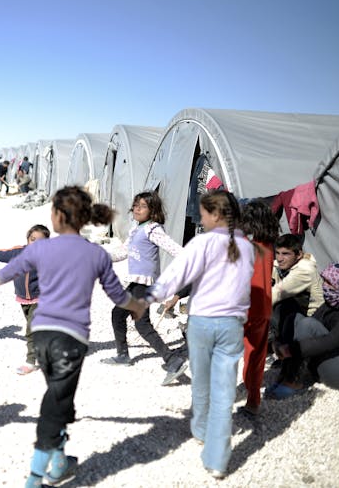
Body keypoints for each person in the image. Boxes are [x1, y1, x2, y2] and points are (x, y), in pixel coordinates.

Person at [0, 186, 149, 488]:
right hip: (70, 341)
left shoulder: (38, 249)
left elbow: (4, 274)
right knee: (55, 406)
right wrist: (137, 306)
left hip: (42, 337)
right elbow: (117, 295)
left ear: (59, 217)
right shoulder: (96, 253)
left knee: (58, 399)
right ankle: (36, 479)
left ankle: (60, 461)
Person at [146, 190, 254, 479]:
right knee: (224, 389)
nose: (201, 217)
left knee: (202, 380)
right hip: (232, 324)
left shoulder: (202, 244)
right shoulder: (246, 246)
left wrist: (148, 297)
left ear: (216, 215)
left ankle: (201, 428)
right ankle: (218, 459)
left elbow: (175, 277)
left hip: (203, 322)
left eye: (205, 213)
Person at [101, 191, 187, 386]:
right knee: (118, 314)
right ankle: (122, 355)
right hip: (135, 283)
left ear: (153, 211)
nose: (137, 208)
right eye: (136, 205)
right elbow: (123, 252)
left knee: (142, 324)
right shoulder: (136, 229)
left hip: (145, 284)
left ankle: (173, 360)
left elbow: (172, 247)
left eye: (143, 206)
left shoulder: (152, 229)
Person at [0, 224, 51, 375]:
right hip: (24, 299)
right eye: (33, 240)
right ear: (27, 240)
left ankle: (31, 361)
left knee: (31, 330)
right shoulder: (18, 253)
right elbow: (0, 253)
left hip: (42, 299)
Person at [277, 261, 339, 391]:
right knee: (295, 318)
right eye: (324, 281)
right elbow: (308, 324)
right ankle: (286, 373)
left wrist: (291, 349)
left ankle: (292, 381)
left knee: (308, 324)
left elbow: (332, 341)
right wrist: (280, 342)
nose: (324, 286)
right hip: (333, 362)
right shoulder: (333, 302)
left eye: (330, 283)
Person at [266, 233, 324, 399]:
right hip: (298, 317)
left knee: (283, 309)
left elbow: (276, 293)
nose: (280, 258)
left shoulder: (304, 270)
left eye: (286, 254)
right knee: (282, 311)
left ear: (298, 255)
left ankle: (294, 379)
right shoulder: (282, 265)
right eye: (278, 253)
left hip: (314, 323)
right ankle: (285, 362)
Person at [238, 199, 279, 416]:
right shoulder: (269, 246)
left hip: (240, 307)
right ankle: (253, 400)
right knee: (256, 355)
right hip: (262, 307)